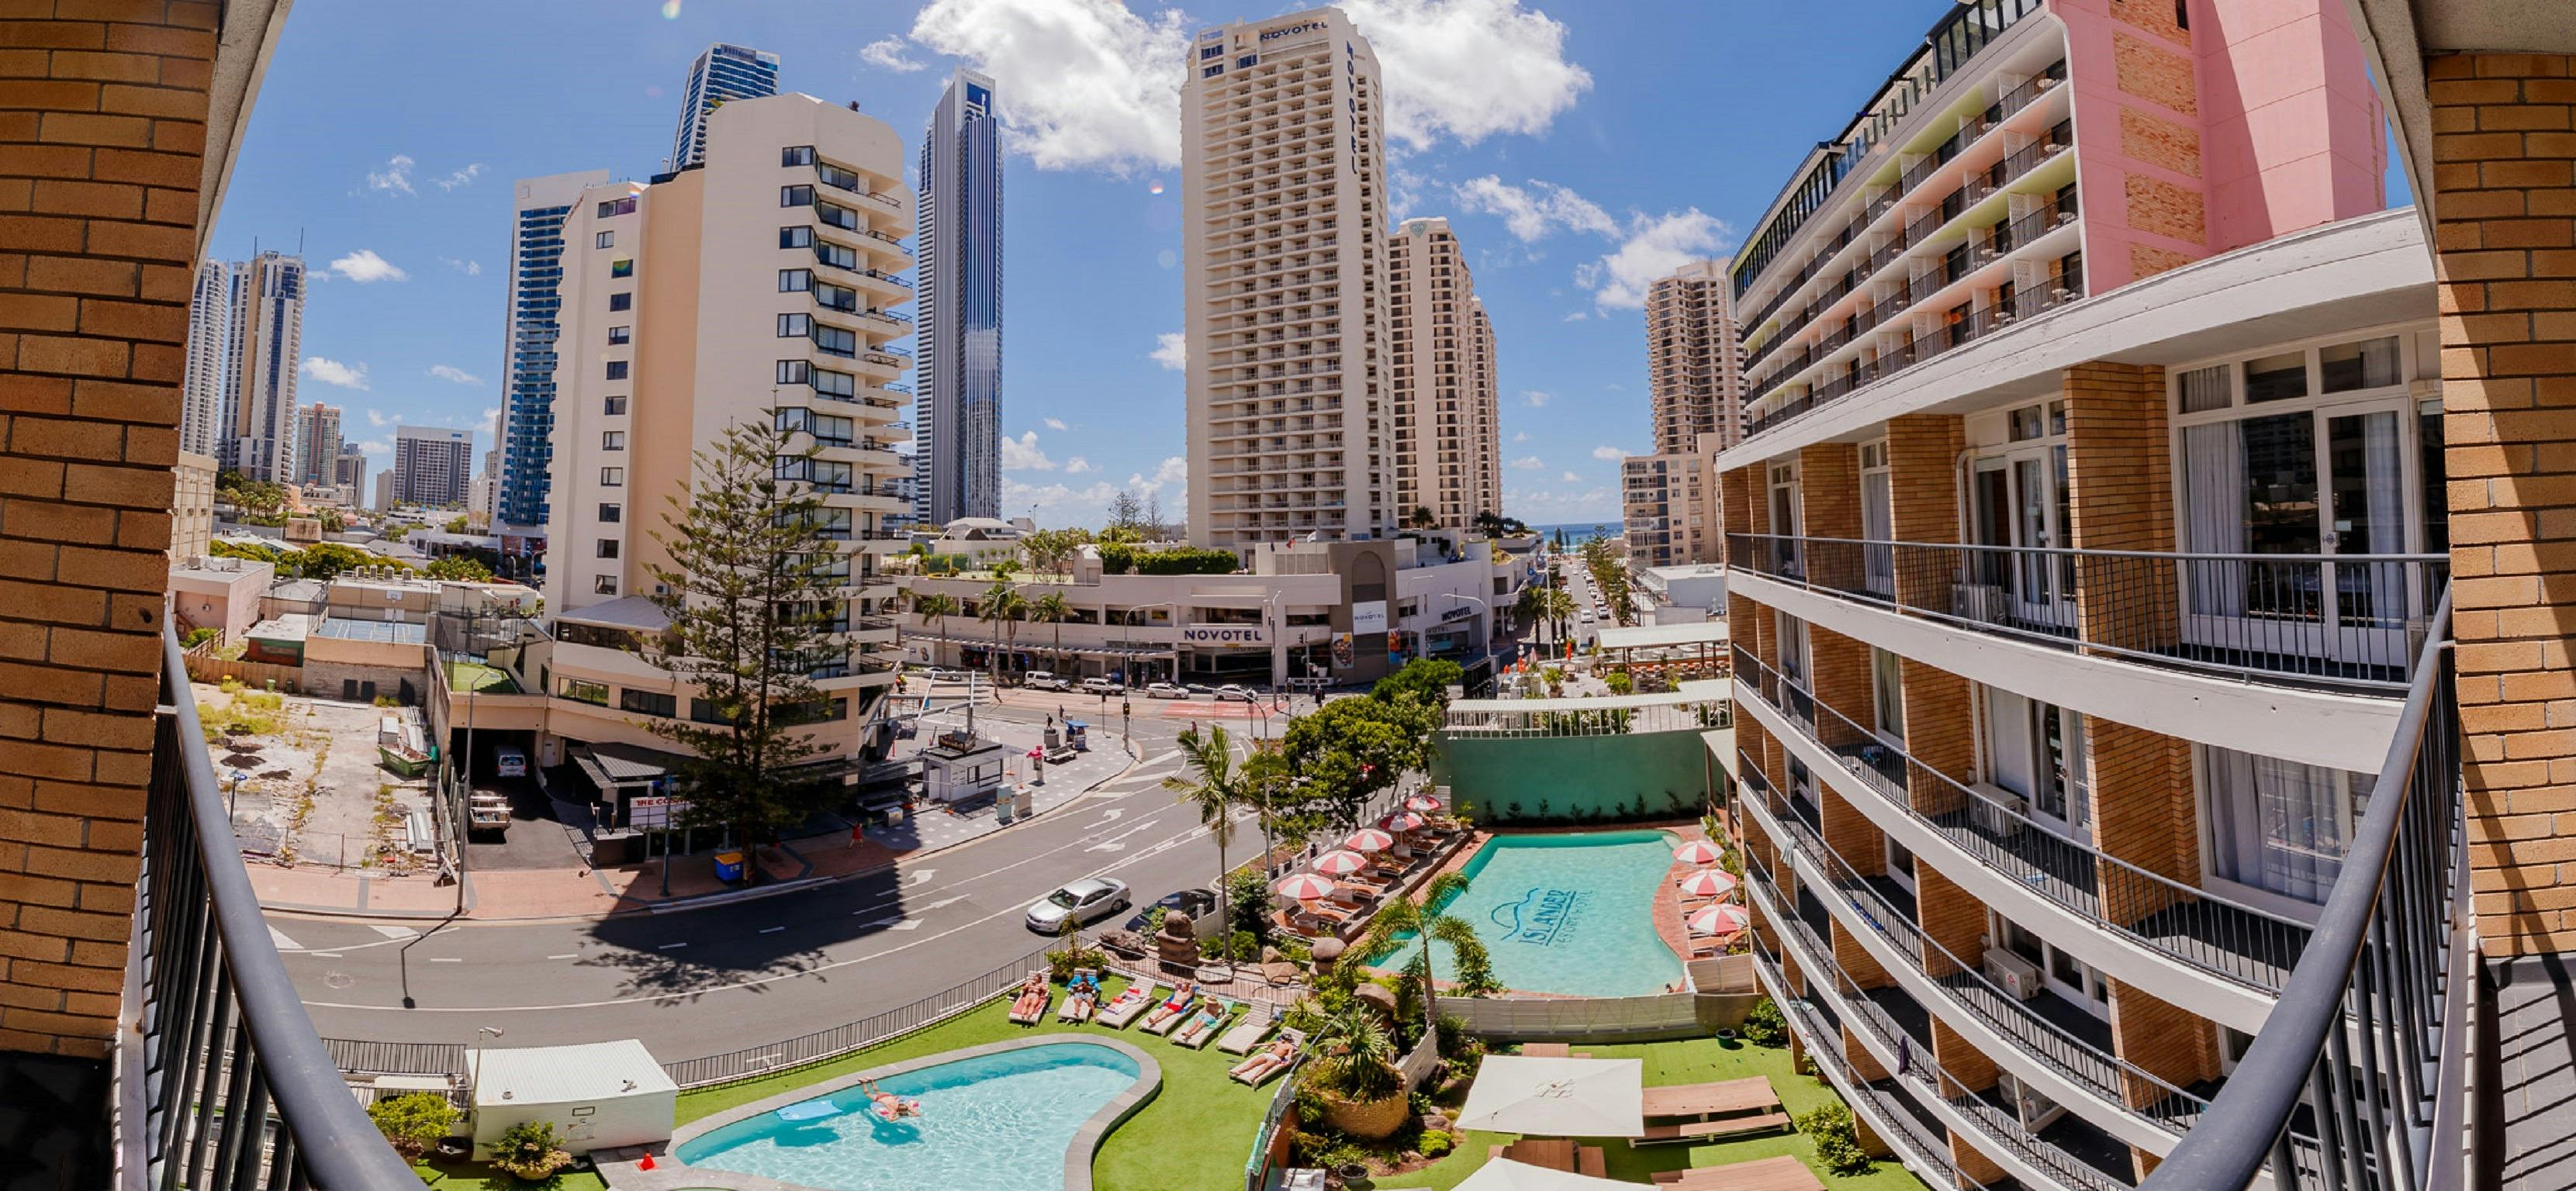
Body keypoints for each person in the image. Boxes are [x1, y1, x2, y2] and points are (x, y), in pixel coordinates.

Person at [1229, 1037, 1296, 1083]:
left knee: (1265, 1068)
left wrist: (1288, 1060)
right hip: (1269, 1054)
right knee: (1253, 1063)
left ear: (1286, 1040)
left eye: (1282, 1038)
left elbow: (1290, 1054)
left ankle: (1254, 1077)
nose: (1280, 1039)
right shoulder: (1278, 1043)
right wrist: (1255, 1045)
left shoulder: (1290, 1046)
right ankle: (1239, 1071)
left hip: (1276, 1058)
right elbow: (1266, 1044)